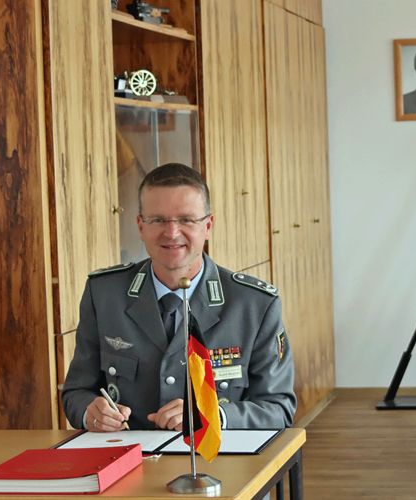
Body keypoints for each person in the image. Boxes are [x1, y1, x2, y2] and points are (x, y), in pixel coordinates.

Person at [62, 163, 297, 432]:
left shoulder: (254, 305)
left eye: (186, 219)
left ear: (208, 226)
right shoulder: (105, 295)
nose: (172, 233)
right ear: (141, 226)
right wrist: (90, 412)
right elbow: (77, 392)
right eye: (158, 220)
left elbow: (278, 408)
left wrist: (211, 415)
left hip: (222, 465)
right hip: (129, 461)